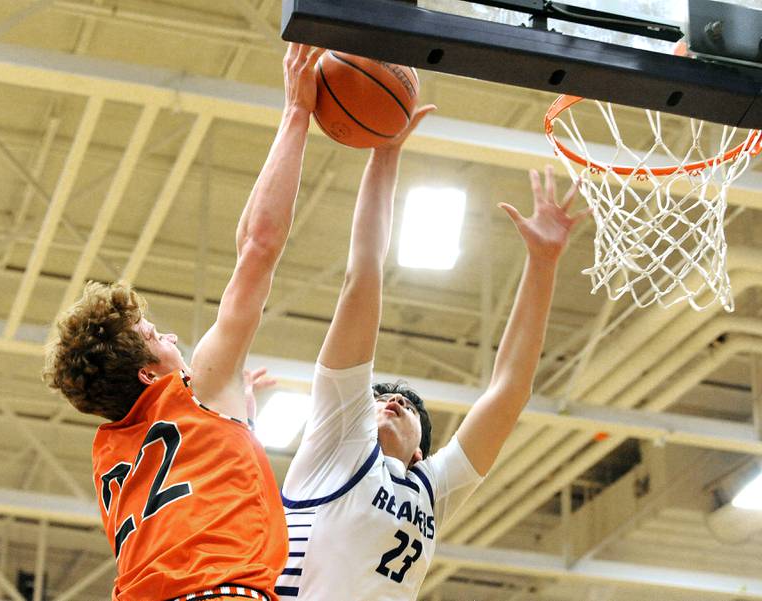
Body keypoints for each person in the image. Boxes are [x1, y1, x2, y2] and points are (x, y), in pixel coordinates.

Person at [43, 43, 325, 601]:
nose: (170, 336)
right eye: (155, 337)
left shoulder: (113, 455)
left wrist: (234, 413)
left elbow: (193, 492)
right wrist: (297, 111)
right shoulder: (196, 394)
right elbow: (258, 246)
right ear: (151, 375)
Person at [275, 127, 589, 601]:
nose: (393, 399)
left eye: (408, 408)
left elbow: (509, 389)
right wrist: (385, 153)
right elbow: (361, 279)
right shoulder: (336, 444)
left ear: (420, 453)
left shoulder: (432, 489)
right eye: (379, 398)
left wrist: (542, 263)